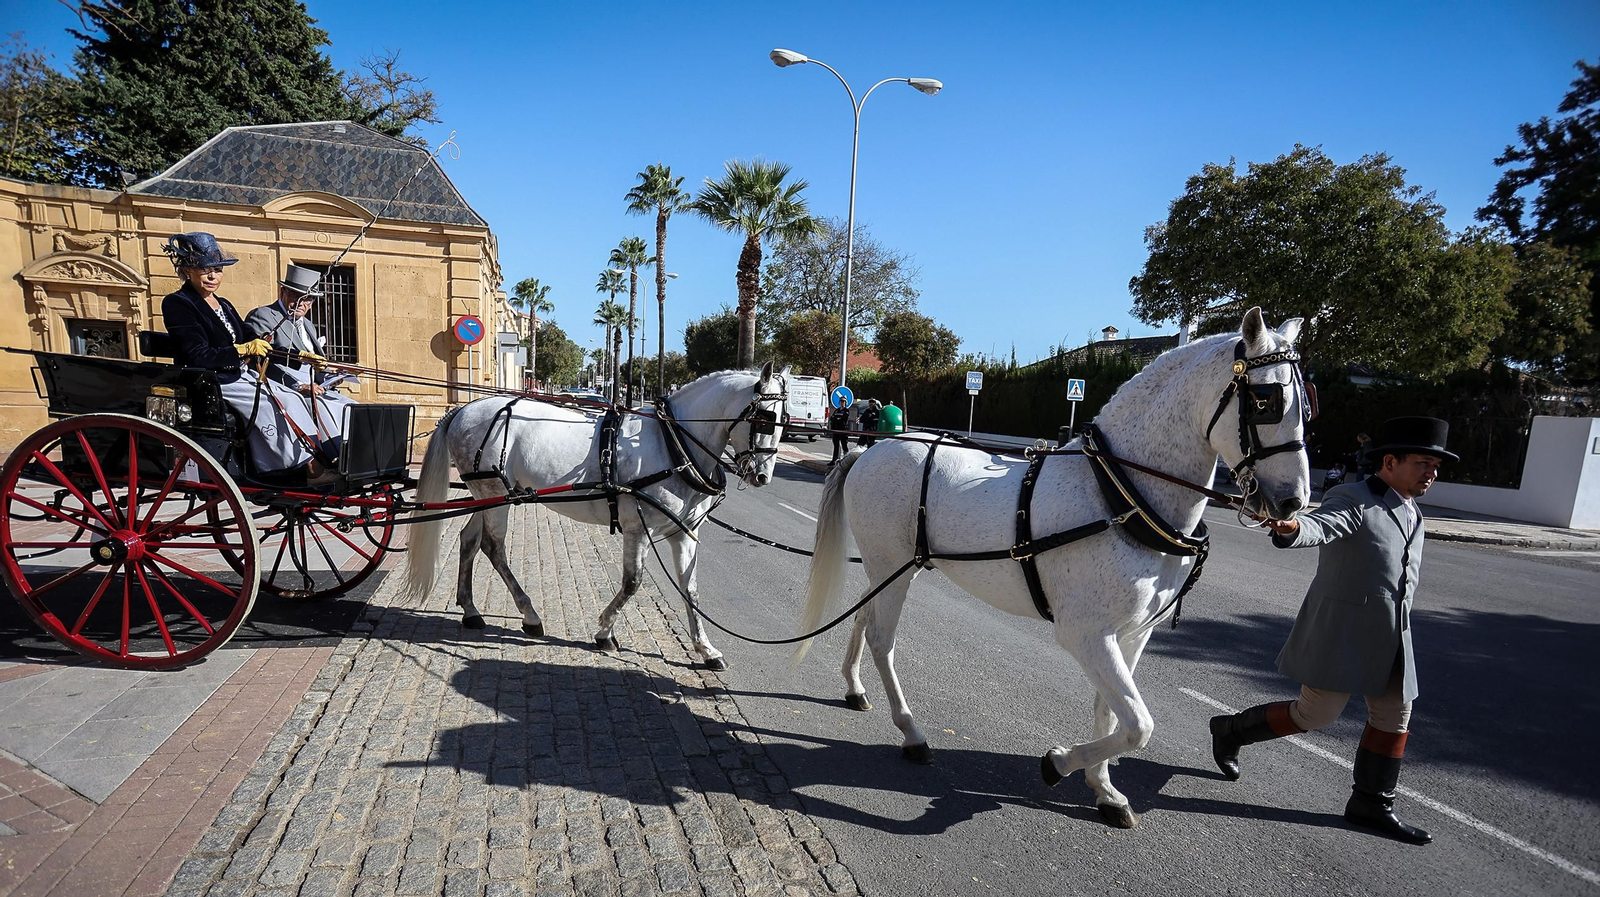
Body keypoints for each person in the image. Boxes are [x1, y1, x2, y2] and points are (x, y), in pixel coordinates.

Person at [1208, 416, 1456, 845]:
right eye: (1422, 464)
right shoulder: (1353, 497)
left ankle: (1372, 804)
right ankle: (1230, 730)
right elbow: (1323, 525)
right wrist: (1293, 527)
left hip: (1394, 636)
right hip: (1343, 632)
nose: (1431, 474)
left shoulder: (1413, 510)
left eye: (1436, 466)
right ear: (1391, 461)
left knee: (1395, 716)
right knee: (1316, 715)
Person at [158, 233, 336, 483]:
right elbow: (196, 353)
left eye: (217, 270)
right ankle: (299, 470)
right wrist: (241, 351)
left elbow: (251, 337)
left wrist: (298, 356)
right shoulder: (178, 303)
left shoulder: (224, 304)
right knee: (275, 403)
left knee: (293, 396)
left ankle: (319, 458)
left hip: (240, 375)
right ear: (187, 270)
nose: (213, 277)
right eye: (204, 269)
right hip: (212, 380)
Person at [244, 264, 355, 448]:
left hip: (316, 388)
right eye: (296, 296)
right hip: (285, 387)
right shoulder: (263, 316)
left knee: (351, 407)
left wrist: (330, 377)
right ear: (283, 292)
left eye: (309, 299)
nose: (302, 304)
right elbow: (262, 361)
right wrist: (298, 385)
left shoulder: (308, 325)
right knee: (327, 409)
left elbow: (315, 364)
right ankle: (329, 456)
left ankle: (353, 458)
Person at [829, 399, 853, 465]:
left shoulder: (846, 411)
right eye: (841, 402)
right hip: (836, 430)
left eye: (843, 402)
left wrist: (837, 419)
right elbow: (832, 418)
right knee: (836, 445)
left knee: (844, 445)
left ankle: (847, 460)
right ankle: (834, 460)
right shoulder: (837, 410)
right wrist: (837, 420)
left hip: (843, 430)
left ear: (845, 403)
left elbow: (844, 419)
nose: (842, 403)